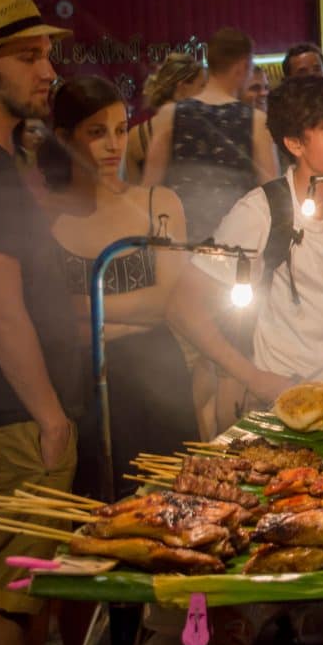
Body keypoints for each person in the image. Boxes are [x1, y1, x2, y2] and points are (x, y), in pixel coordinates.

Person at [166, 76, 323, 426]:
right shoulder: (260, 211)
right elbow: (181, 307)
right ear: (294, 143)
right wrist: (254, 378)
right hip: (280, 397)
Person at [0, 0, 80, 645]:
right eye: (28, 56)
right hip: (11, 423)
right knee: (10, 601)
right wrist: (52, 415)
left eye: (47, 54)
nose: (48, 72)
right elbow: (1, 309)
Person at [36, 76, 197, 498]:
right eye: (96, 132)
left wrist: (84, 306)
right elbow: (49, 317)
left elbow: (166, 300)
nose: (113, 145)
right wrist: (129, 312)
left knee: (174, 507)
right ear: (65, 137)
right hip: (80, 384)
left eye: (121, 130)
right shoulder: (45, 215)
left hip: (157, 377)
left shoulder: (158, 203)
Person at [142, 27, 277, 242]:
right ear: (242, 67)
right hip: (237, 244)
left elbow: (150, 190)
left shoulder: (170, 115)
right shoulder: (255, 121)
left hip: (180, 242)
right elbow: (271, 192)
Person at [125, 53, 205, 184]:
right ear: (182, 87)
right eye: (201, 86)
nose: (206, 93)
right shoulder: (202, 131)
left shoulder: (135, 135)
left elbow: (135, 192)